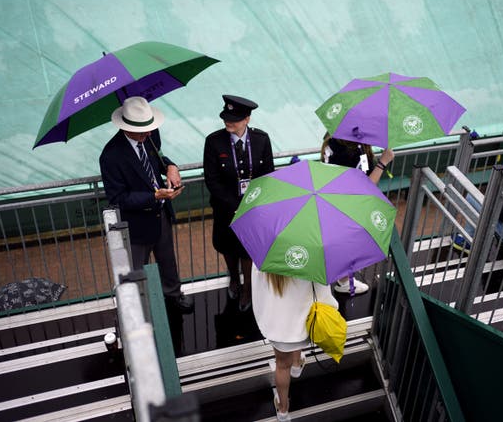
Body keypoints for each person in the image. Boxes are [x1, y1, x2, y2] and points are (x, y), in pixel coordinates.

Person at [99, 96, 193, 312]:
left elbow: (159, 159)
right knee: (136, 269)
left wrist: (171, 167)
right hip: (136, 225)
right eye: (143, 131)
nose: (149, 133)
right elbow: (117, 198)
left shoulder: (149, 135)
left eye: (150, 128)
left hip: (161, 216)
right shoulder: (110, 156)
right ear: (126, 127)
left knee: (167, 260)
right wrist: (155, 197)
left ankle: (173, 295)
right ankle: (141, 310)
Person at [203, 95, 274, 311]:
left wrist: (255, 204)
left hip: (252, 210)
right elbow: (212, 180)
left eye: (233, 118)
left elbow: (268, 175)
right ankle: (233, 278)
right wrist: (234, 205)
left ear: (247, 119)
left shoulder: (262, 139)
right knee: (228, 247)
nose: (228, 122)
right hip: (225, 210)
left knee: (248, 251)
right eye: (226, 117)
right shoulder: (214, 141)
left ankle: (248, 289)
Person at [251, 267, 338, 421]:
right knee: (297, 335)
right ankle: (297, 365)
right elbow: (321, 286)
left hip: (278, 326)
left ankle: (283, 410)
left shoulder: (265, 260)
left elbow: (258, 291)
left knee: (282, 366)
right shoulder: (311, 255)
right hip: (304, 321)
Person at [320, 133, 395, 294]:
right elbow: (366, 186)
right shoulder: (351, 150)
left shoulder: (331, 141)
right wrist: (383, 161)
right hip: (347, 204)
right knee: (346, 242)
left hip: (330, 199)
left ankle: (341, 278)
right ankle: (344, 281)